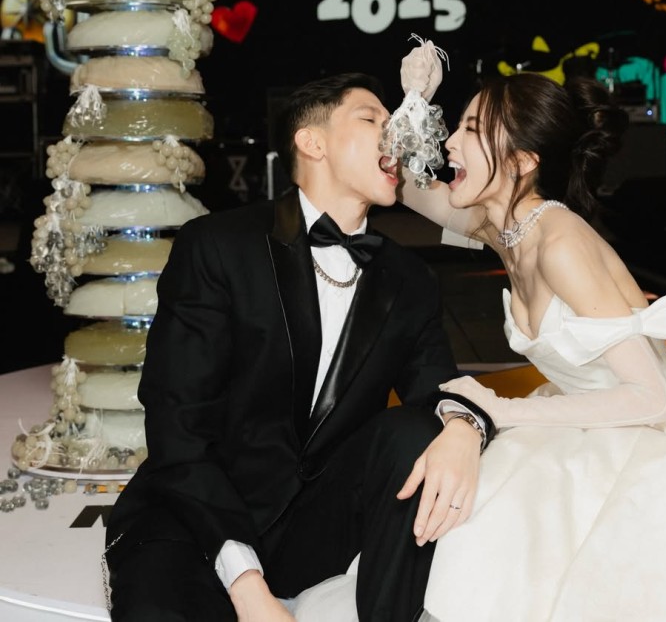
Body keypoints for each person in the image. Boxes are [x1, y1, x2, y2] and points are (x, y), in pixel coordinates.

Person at [398, 59, 666, 622]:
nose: (450, 145)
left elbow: (652, 397)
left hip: (657, 428)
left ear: (521, 161)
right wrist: (415, 99)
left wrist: (504, 410)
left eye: (470, 129)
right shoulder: (503, 228)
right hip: (586, 420)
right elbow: (405, 186)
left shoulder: (559, 243)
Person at [104, 71, 494, 622]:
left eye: (395, 123)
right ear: (312, 143)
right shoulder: (218, 246)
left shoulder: (410, 279)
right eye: (371, 119)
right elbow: (178, 427)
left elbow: (437, 387)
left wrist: (463, 427)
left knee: (420, 428)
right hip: (199, 517)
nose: (395, 135)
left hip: (319, 528)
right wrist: (248, 588)